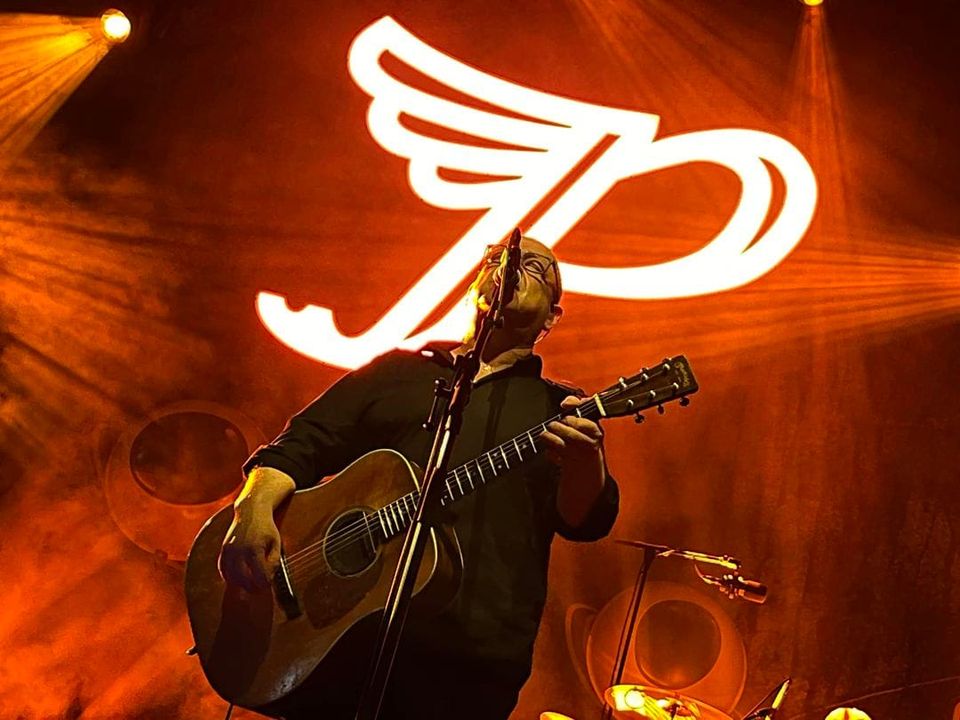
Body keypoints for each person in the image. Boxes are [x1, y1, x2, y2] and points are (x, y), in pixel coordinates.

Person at [218, 237, 619, 719]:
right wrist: (252, 510)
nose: (511, 267)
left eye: (535, 266)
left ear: (552, 317)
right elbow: (299, 445)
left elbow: (584, 522)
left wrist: (586, 459)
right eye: (499, 260)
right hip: (335, 642)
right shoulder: (396, 373)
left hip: (464, 666)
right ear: (475, 290)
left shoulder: (557, 409)